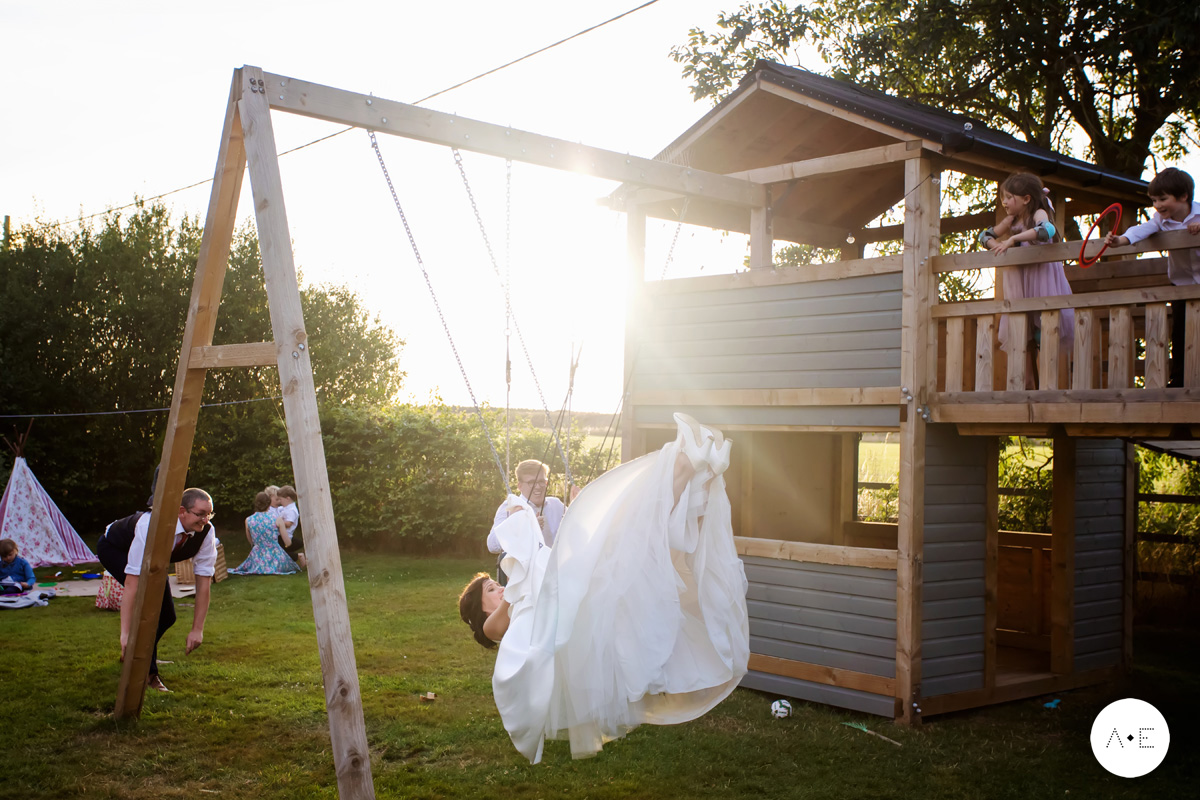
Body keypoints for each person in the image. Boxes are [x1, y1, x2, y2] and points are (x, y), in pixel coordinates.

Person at [459, 413, 749, 763]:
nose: (499, 590)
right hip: (575, 603)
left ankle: (693, 471)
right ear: (483, 608)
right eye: (491, 590)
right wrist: (515, 580)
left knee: (632, 529)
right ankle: (691, 470)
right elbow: (514, 603)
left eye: (494, 585)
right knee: (634, 534)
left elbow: (538, 573)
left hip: (573, 585)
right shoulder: (496, 624)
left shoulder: (520, 591)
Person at [97, 488, 218, 693]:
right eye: (200, 514)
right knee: (156, 612)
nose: (205, 519)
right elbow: (132, 584)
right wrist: (125, 634)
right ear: (182, 511)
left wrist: (198, 629)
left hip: (153, 558)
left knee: (167, 616)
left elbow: (204, 582)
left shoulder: (206, 531)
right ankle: (148, 674)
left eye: (209, 514)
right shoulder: (151, 526)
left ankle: (139, 653)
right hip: (115, 549)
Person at [1104, 167, 1200, 386]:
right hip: (1181, 286)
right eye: (1154, 200)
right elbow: (1140, 230)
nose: (1157, 205)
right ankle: (1179, 380)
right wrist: (1120, 241)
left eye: (1163, 199)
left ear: (1183, 196)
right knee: (1181, 335)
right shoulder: (1160, 220)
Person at [982, 172, 1075, 388]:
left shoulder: (1039, 212)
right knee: (1022, 331)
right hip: (1019, 279)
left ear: (1026, 199)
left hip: (1040, 277)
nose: (1004, 201)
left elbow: (1047, 230)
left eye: (1008, 196)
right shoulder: (1011, 219)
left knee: (1045, 328)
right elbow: (985, 236)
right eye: (1002, 197)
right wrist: (997, 245)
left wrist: (1014, 238)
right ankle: (1028, 383)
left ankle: (1047, 384)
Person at [487, 460, 566, 585]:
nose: (538, 486)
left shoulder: (556, 505)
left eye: (541, 481)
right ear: (519, 486)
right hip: (525, 580)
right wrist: (519, 525)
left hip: (556, 576)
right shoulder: (509, 507)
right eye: (531, 482)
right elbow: (492, 545)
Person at [229, 491, 301, 576]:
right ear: (269, 503)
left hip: (256, 558)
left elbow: (251, 542)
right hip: (275, 558)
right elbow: (288, 543)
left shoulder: (248, 520)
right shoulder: (277, 519)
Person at [275, 485, 306, 570]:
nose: (280, 501)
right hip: (280, 534)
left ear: (287, 498)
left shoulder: (292, 510)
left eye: (281, 499)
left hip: (285, 535)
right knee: (281, 552)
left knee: (279, 552)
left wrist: (278, 523)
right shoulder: (285, 508)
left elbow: (289, 523)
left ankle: (298, 556)